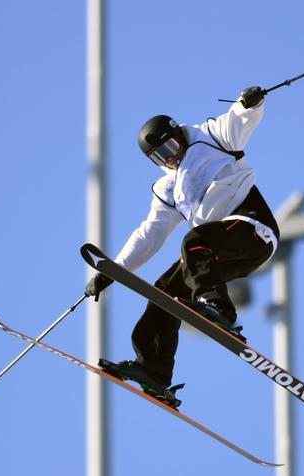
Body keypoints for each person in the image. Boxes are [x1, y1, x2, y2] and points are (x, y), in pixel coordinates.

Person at [85, 86, 280, 393]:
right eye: (161, 155)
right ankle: (154, 369)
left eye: (172, 145)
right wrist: (113, 271)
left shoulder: (213, 137)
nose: (172, 156)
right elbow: (150, 235)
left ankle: (220, 310)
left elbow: (239, 118)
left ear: (180, 134)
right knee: (165, 292)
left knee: (193, 242)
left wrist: (249, 103)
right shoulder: (168, 189)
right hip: (218, 250)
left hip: (253, 229)